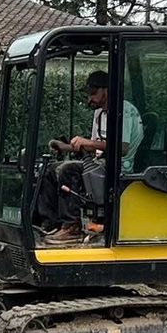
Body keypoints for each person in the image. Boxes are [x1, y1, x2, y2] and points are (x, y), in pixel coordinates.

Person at [33, 71, 145, 242]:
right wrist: (65, 147)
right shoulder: (99, 114)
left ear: (106, 90)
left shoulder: (125, 110)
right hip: (101, 162)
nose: (89, 99)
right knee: (50, 169)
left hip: (121, 166)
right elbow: (95, 146)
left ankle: (72, 227)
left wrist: (88, 143)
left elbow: (122, 148)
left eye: (93, 93)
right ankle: (51, 223)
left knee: (67, 170)